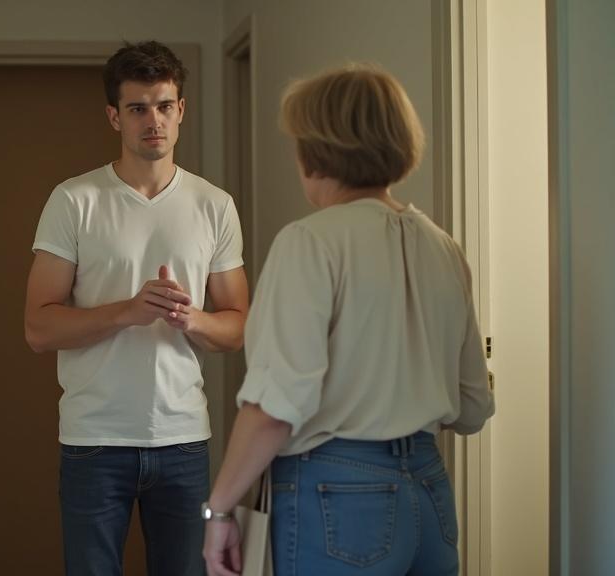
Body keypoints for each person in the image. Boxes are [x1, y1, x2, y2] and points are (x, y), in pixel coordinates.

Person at [201, 64, 495, 576]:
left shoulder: (309, 242)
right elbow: (472, 408)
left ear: (315, 150)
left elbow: (277, 406)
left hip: (337, 495)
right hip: (429, 491)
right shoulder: (443, 247)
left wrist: (220, 509)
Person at [24, 40, 249, 576]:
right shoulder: (74, 200)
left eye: (164, 105)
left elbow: (238, 328)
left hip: (183, 439)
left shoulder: (214, 205)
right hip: (94, 440)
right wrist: (127, 311)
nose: (154, 120)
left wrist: (190, 318)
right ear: (114, 117)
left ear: (181, 110)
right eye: (138, 108)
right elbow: (38, 327)